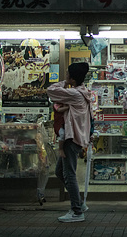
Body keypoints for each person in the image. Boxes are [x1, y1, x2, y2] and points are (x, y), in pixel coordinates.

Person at [47, 62, 92, 223]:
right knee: (60, 172)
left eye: (67, 74)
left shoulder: (75, 94)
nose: (65, 76)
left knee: (69, 174)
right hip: (75, 137)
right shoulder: (82, 91)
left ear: (73, 78)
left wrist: (64, 83)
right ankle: (78, 203)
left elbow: (51, 91)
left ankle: (77, 211)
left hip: (71, 138)